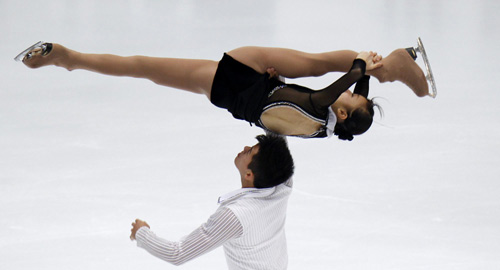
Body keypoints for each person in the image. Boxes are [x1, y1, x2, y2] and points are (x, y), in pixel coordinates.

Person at [17, 41, 429, 140]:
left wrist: (360, 64)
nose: (355, 90)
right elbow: (329, 95)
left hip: (236, 79)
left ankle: (69, 58)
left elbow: (322, 95)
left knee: (144, 69)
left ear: (343, 113)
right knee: (142, 70)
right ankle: (397, 62)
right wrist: (367, 73)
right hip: (238, 86)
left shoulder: (321, 115)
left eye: (354, 97)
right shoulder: (327, 123)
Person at [129, 134, 295, 269]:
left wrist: (141, 233)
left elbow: (177, 253)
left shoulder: (235, 217)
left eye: (249, 151)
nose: (244, 148)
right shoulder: (282, 186)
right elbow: (277, 130)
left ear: (249, 175)